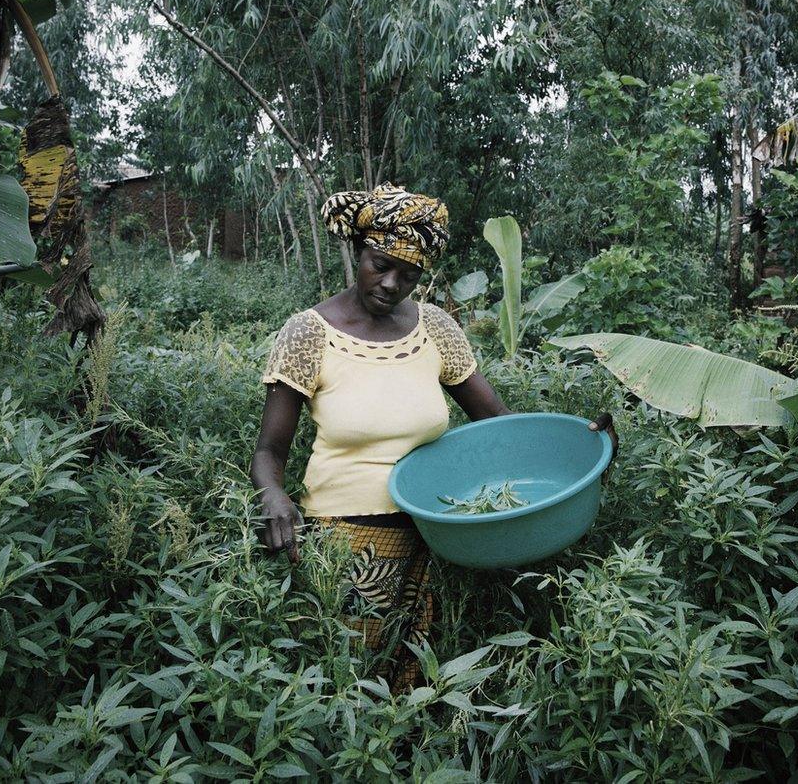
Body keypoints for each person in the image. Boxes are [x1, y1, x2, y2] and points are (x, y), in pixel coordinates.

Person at [250, 183, 616, 690]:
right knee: (350, 682)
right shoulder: (308, 333)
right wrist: (272, 492)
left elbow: (498, 423)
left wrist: (579, 444)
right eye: (380, 264)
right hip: (349, 536)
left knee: (428, 682)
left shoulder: (435, 328)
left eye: (409, 275)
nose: (390, 284)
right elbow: (270, 450)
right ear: (358, 250)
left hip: (442, 529)